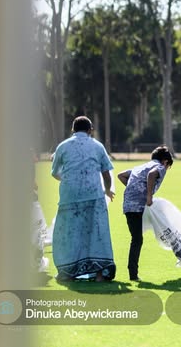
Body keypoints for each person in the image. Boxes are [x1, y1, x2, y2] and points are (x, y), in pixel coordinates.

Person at [50, 116, 116, 282]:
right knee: (97, 233)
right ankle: (100, 273)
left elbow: (55, 173)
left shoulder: (62, 146)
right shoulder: (97, 146)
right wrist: (107, 190)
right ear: (90, 130)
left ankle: (67, 272)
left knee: (68, 233)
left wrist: (70, 180)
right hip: (93, 195)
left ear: (73, 129)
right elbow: (106, 173)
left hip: (69, 196)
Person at [117, 146, 174, 281]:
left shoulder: (140, 167)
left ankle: (133, 273)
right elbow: (152, 175)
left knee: (136, 238)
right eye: (168, 166)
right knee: (138, 239)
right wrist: (148, 195)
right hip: (139, 206)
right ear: (165, 162)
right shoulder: (159, 166)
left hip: (128, 205)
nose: (167, 169)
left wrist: (134, 189)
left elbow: (121, 175)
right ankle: (133, 274)